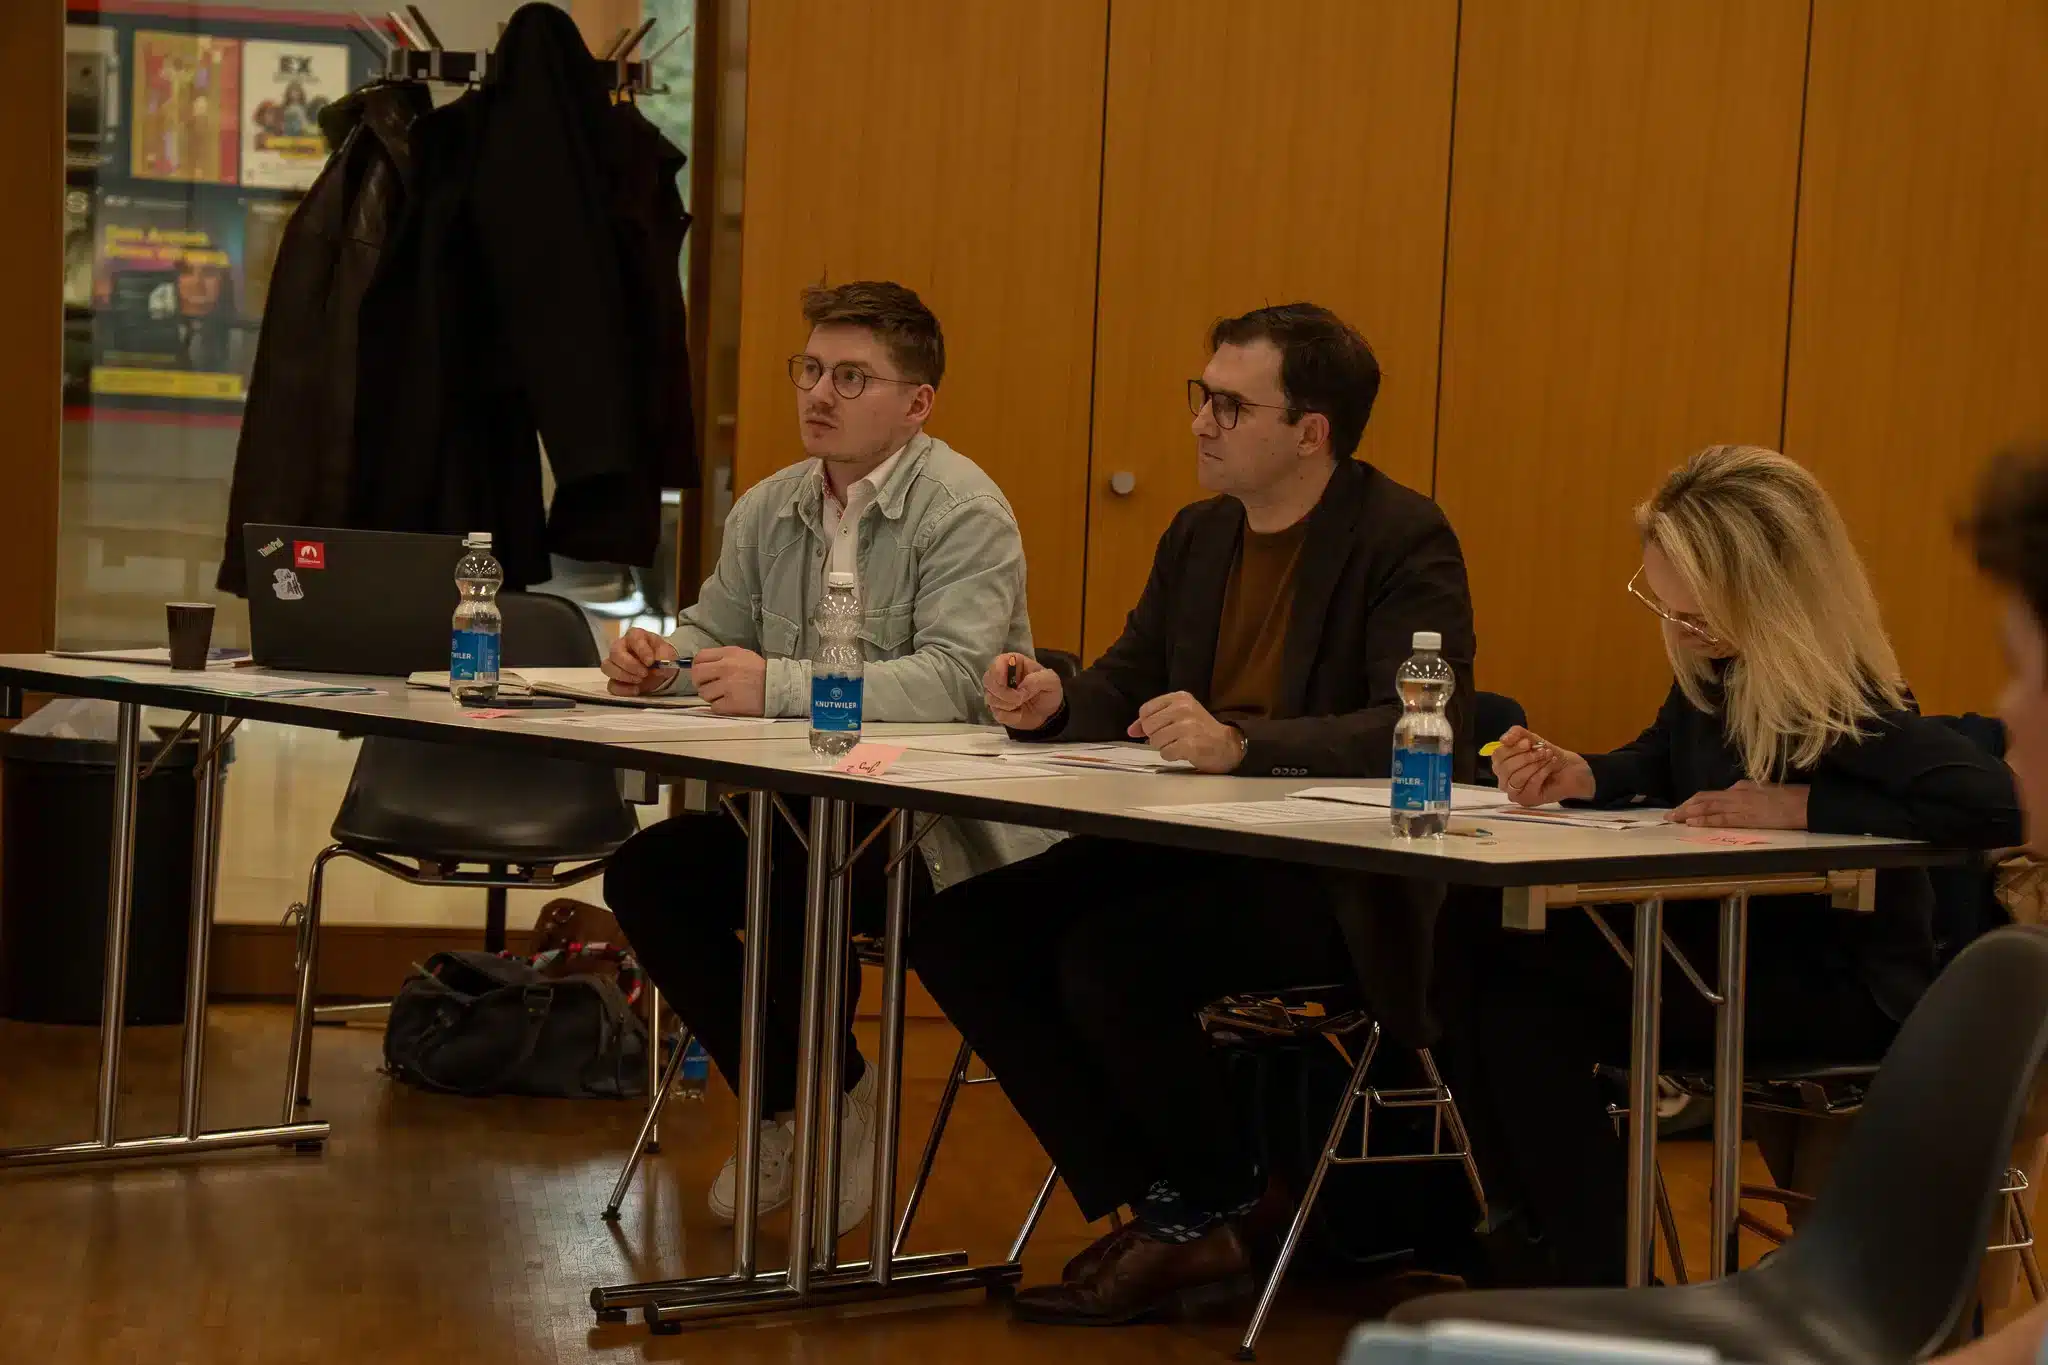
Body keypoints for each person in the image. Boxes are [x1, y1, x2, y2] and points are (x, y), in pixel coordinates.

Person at [910, 302, 1479, 1325]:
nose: (1200, 423)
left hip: (1325, 873)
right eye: (1200, 396)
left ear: (1309, 432)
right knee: (962, 926)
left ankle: (1204, 1201)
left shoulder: (1401, 537)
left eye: (1229, 405)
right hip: (1185, 843)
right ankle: (1178, 1196)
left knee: (1109, 956)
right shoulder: (1199, 532)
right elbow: (1129, 678)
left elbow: (1415, 721)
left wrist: (1245, 744)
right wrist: (1053, 701)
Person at [1447, 444, 2022, 1287]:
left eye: (1699, 613)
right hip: (1729, 954)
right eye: (1668, 608)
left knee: (1522, 994)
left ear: (1766, 594)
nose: (1683, 631)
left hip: (1839, 980)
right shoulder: (1720, 669)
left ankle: (1592, 1277)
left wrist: (1804, 807)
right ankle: (1550, 1255)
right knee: (1482, 955)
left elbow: (1997, 801)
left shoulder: (1840, 694)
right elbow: (1661, 759)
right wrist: (1582, 774)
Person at [600, 280, 1053, 1234]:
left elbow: (959, 680)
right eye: (810, 369)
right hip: (801, 814)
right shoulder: (771, 507)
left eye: (851, 376)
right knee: (649, 873)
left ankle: (809, 1099)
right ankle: (810, 1096)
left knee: (799, 868)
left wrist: (780, 684)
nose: (819, 393)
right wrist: (659, 661)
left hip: (930, 837)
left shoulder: (963, 510)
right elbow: (713, 636)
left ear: (917, 402)